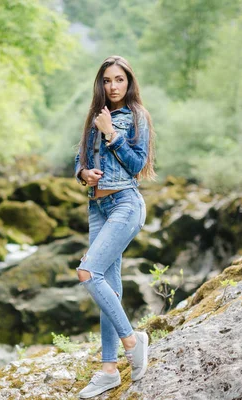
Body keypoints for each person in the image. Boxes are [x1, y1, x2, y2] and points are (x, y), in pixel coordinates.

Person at [74, 55, 156, 399]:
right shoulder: (95, 116)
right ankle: (109, 371)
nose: (113, 86)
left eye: (119, 80)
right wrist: (83, 174)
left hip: (125, 202)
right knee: (109, 287)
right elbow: (79, 157)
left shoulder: (137, 116)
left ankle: (133, 341)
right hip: (98, 206)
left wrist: (112, 135)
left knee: (88, 273)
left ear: (129, 82)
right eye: (107, 81)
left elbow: (138, 164)